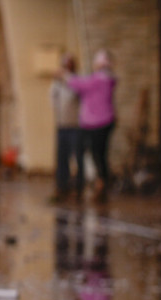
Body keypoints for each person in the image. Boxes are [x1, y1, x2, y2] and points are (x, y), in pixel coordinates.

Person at [66, 49, 116, 202]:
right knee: (99, 154)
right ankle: (100, 182)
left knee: (95, 154)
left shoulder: (99, 80)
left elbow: (79, 84)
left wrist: (66, 75)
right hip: (101, 121)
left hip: (96, 123)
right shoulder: (106, 79)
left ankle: (99, 183)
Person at [50, 53, 82, 202]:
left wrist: (66, 77)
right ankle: (62, 186)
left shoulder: (77, 81)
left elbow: (77, 93)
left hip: (76, 126)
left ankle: (77, 187)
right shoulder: (57, 85)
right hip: (62, 125)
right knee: (61, 158)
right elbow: (52, 101)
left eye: (69, 66)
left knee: (77, 158)